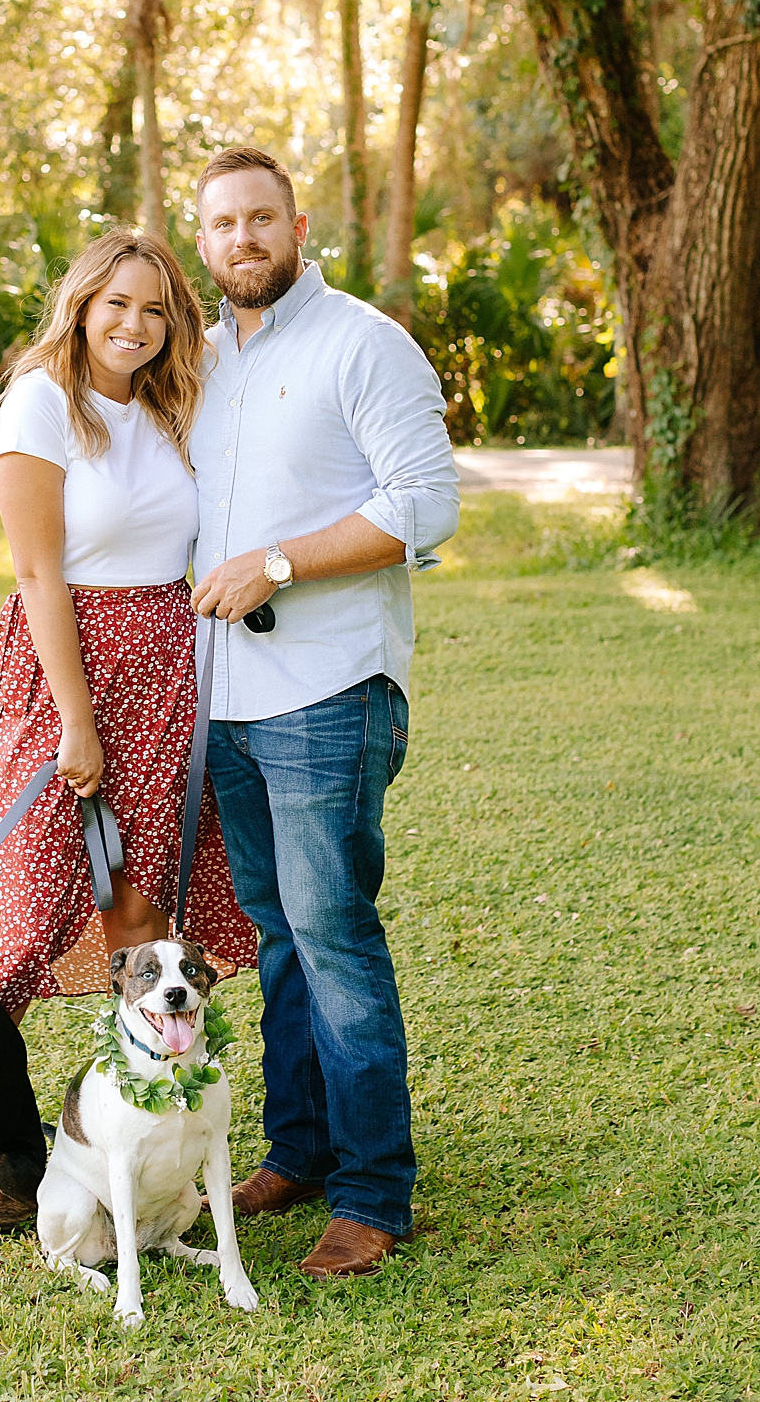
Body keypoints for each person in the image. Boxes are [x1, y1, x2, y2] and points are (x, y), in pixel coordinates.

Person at [188, 146, 460, 1278]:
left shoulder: (365, 342)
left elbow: (426, 504)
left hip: (328, 694)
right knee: (278, 937)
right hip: (226, 700)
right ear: (201, 242)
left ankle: (372, 1192)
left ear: (297, 225)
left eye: (262, 217)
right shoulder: (200, 360)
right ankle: (296, 1151)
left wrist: (281, 563)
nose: (243, 238)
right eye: (221, 224)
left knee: (335, 936)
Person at [0, 228, 257, 1020]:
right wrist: (76, 721)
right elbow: (35, 574)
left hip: (163, 667)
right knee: (23, 916)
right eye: (116, 303)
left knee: (141, 913)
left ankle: (141, 1103)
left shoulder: (169, 402)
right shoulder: (41, 399)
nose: (134, 324)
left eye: (154, 309)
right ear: (81, 305)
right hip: (63, 662)